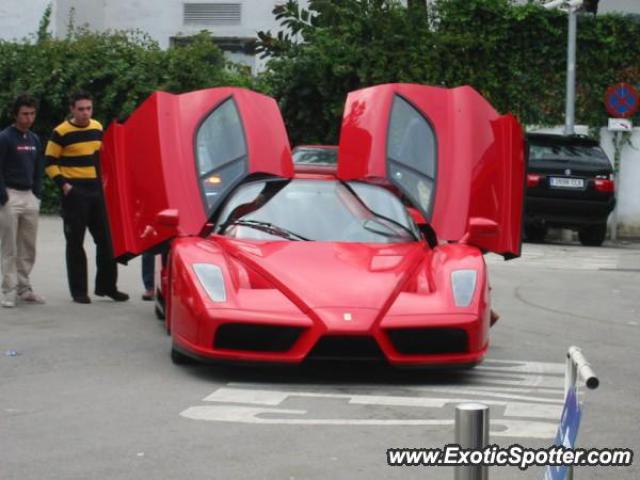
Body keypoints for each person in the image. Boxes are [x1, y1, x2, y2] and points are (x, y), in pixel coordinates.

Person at [45, 90, 129, 304]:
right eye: (81, 109)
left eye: (88, 109)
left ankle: (107, 286)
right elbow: (49, 162)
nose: (85, 113)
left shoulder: (97, 127)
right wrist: (64, 185)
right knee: (75, 243)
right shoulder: (60, 132)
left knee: (106, 241)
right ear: (72, 109)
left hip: (96, 190)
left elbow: (105, 158)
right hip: (74, 191)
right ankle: (79, 292)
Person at [0, 94, 46, 308]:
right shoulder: (5, 137)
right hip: (10, 195)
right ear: (15, 115)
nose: (28, 118)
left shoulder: (34, 139)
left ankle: (24, 288)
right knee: (9, 247)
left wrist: (37, 193)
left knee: (28, 246)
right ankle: (7, 290)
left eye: (32, 114)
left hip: (29, 196)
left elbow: (38, 168)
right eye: (24, 114)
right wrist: (3, 196)